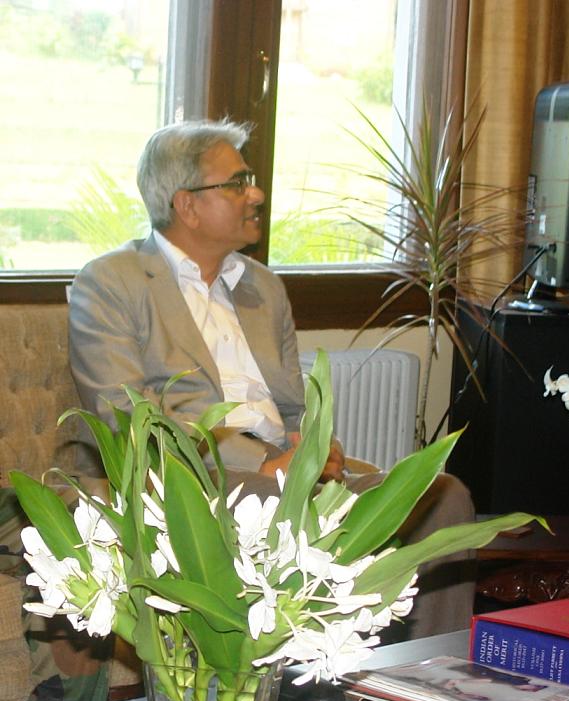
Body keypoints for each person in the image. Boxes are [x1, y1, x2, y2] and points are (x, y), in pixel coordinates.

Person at [67, 118, 476, 647]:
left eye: (250, 180)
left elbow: (290, 407)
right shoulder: (111, 281)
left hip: (283, 469)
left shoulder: (262, 285)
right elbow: (125, 416)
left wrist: (314, 448)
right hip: (189, 481)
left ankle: (423, 674)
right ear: (186, 204)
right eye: (236, 183)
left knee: (443, 496)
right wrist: (260, 464)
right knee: (275, 500)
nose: (254, 193)